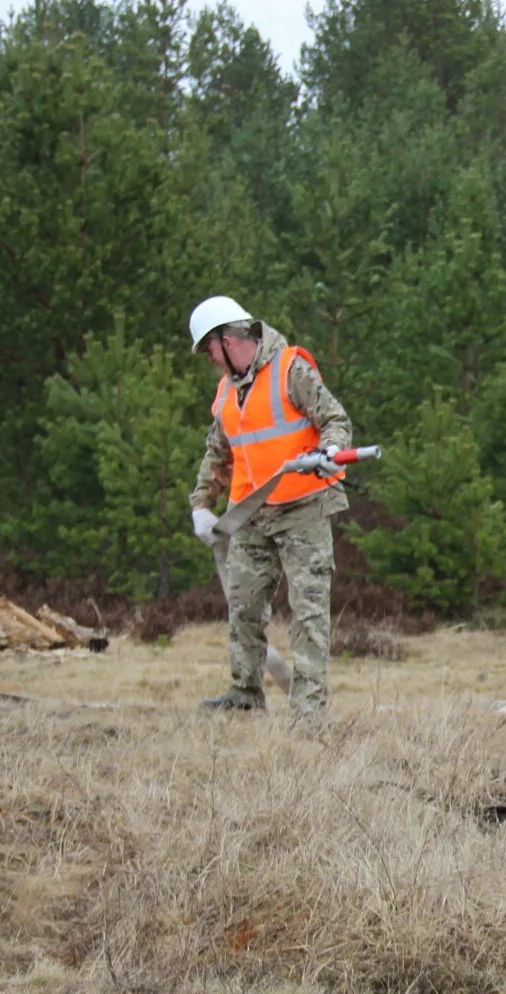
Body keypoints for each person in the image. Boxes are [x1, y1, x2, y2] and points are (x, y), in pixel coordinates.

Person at [186, 296, 353, 716]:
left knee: (308, 612)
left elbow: (335, 420)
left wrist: (330, 449)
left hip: (304, 509)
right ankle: (244, 694)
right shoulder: (227, 391)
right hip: (251, 513)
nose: (211, 362)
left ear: (227, 341)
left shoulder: (290, 369)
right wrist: (201, 504)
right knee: (243, 605)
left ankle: (309, 712)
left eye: (209, 351)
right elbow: (218, 451)